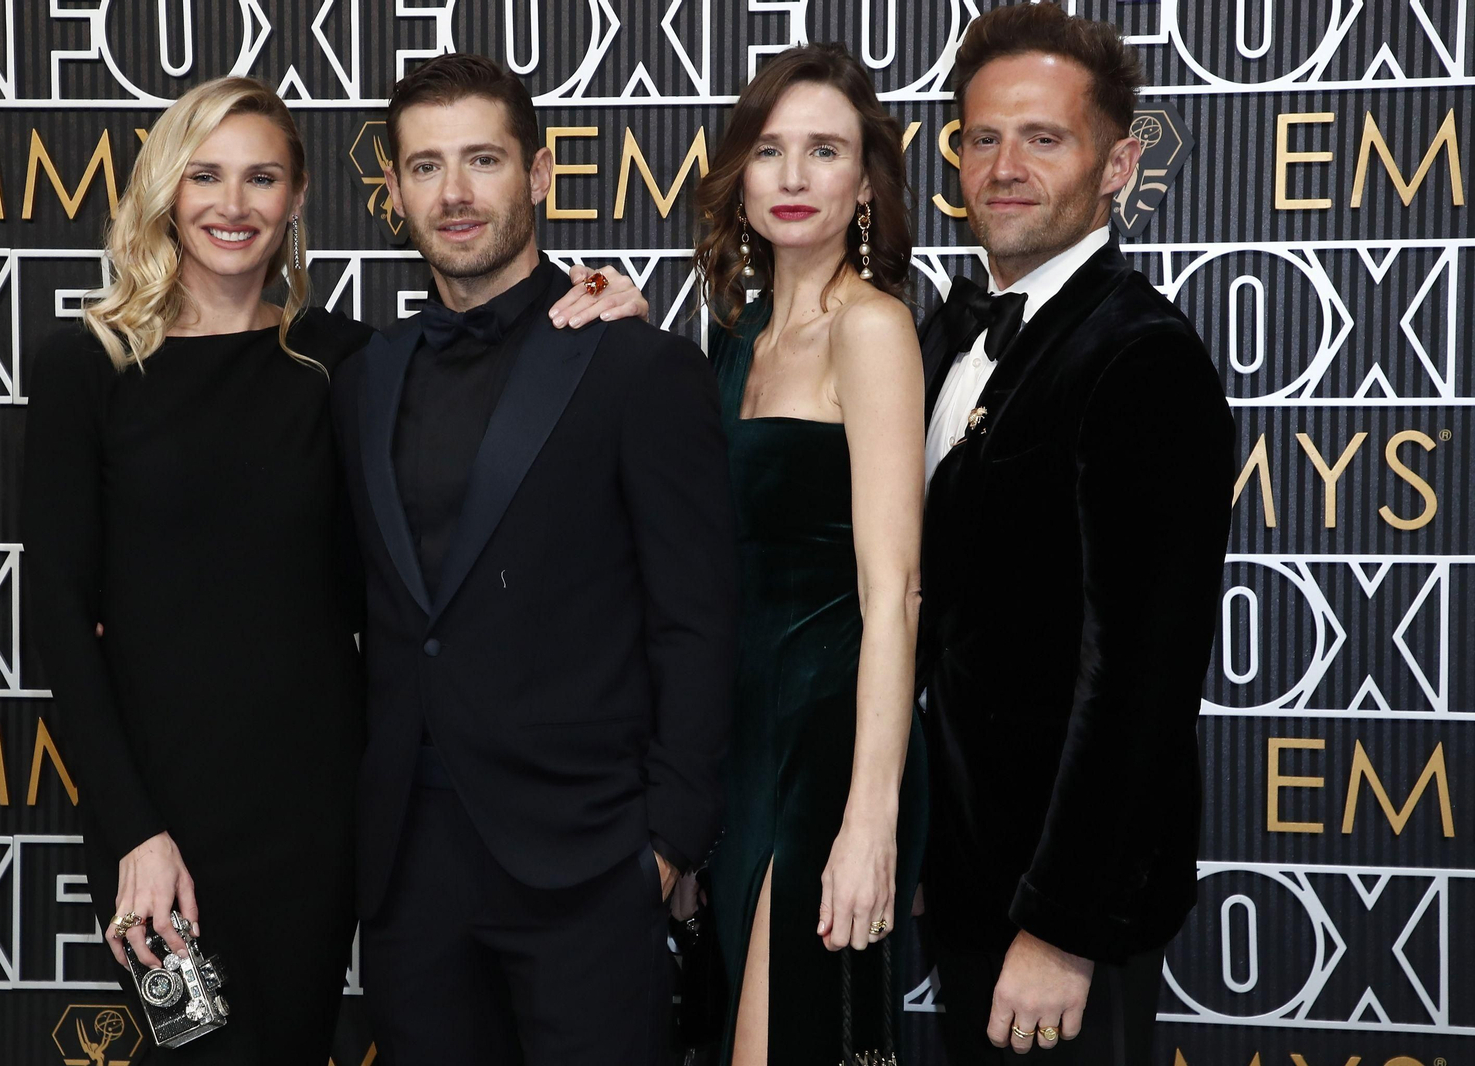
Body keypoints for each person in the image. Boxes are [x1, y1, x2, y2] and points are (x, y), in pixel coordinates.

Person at [331, 52, 737, 1065]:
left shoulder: (637, 366)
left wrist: (665, 844)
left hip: (588, 862)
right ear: (392, 191)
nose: (455, 193)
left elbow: (697, 616)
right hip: (408, 873)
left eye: (482, 160)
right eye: (424, 167)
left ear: (542, 174)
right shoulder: (360, 378)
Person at [22, 77, 374, 1064]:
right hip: (155, 824)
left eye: (261, 177)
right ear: (167, 191)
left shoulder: (340, 360)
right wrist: (134, 831)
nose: (232, 204)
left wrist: (593, 308)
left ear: (298, 197)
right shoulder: (86, 365)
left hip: (311, 817)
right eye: (205, 175)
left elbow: (494, 365)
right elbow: (56, 606)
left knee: (292, 1046)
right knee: (197, 1047)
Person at [916, 6, 1235, 1063]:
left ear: (1118, 163)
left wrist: (1060, 925)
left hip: (1054, 920)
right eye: (982, 138)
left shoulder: (1141, 357)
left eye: (1044, 138)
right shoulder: (939, 336)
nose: (1005, 166)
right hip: (959, 887)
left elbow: (1140, 681)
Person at [691, 43, 929, 1066]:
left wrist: (868, 821)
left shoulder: (869, 330)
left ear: (864, 184)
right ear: (737, 176)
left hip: (828, 756)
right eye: (770, 149)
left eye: (823, 150)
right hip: (738, 753)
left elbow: (897, 592)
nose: (791, 177)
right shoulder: (736, 340)